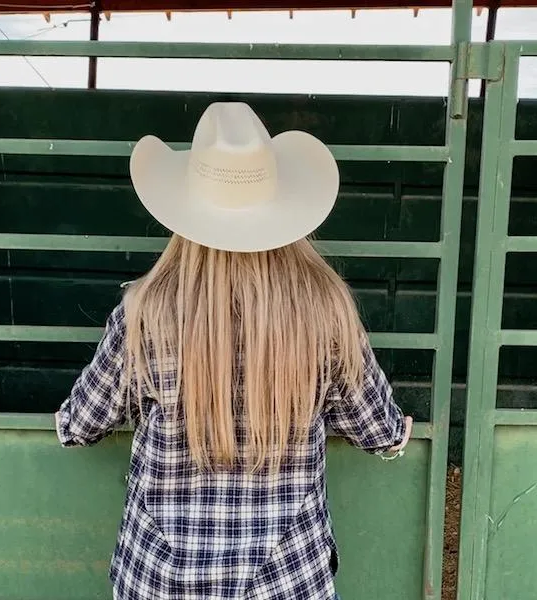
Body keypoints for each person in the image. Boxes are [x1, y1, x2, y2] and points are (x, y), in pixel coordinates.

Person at [55, 102, 413, 600]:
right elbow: (380, 433)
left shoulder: (145, 313)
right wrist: (395, 433)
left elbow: (79, 426)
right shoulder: (327, 311)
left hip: (163, 581)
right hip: (287, 580)